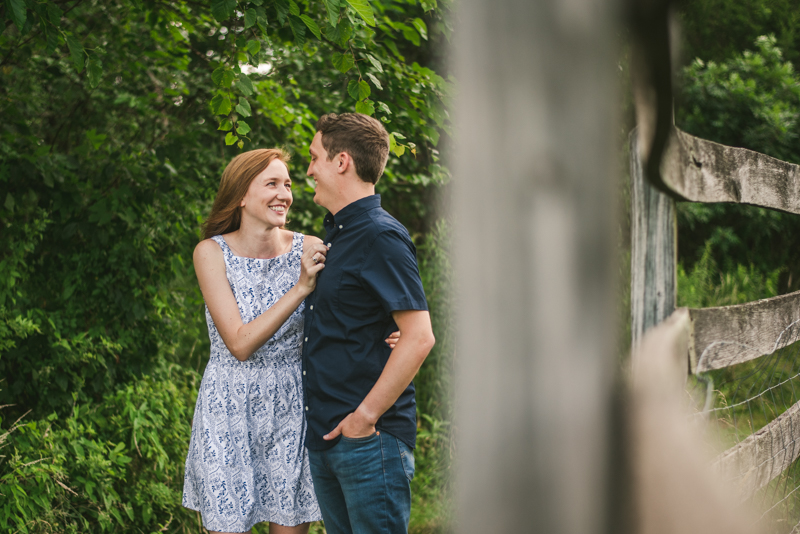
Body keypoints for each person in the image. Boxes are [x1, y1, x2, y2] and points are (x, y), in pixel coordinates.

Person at [181, 148, 329, 534]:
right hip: (227, 408)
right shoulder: (211, 253)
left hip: (291, 407)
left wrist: (387, 333)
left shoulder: (310, 248)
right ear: (242, 195)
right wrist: (300, 289)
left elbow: (345, 314)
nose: (285, 194)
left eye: (289, 185)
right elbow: (240, 344)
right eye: (272, 184)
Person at [302, 113, 436, 534]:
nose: (307, 170)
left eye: (314, 158)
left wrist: (364, 419)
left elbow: (419, 336)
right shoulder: (337, 235)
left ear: (341, 161)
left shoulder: (379, 235)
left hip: (368, 440)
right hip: (328, 436)